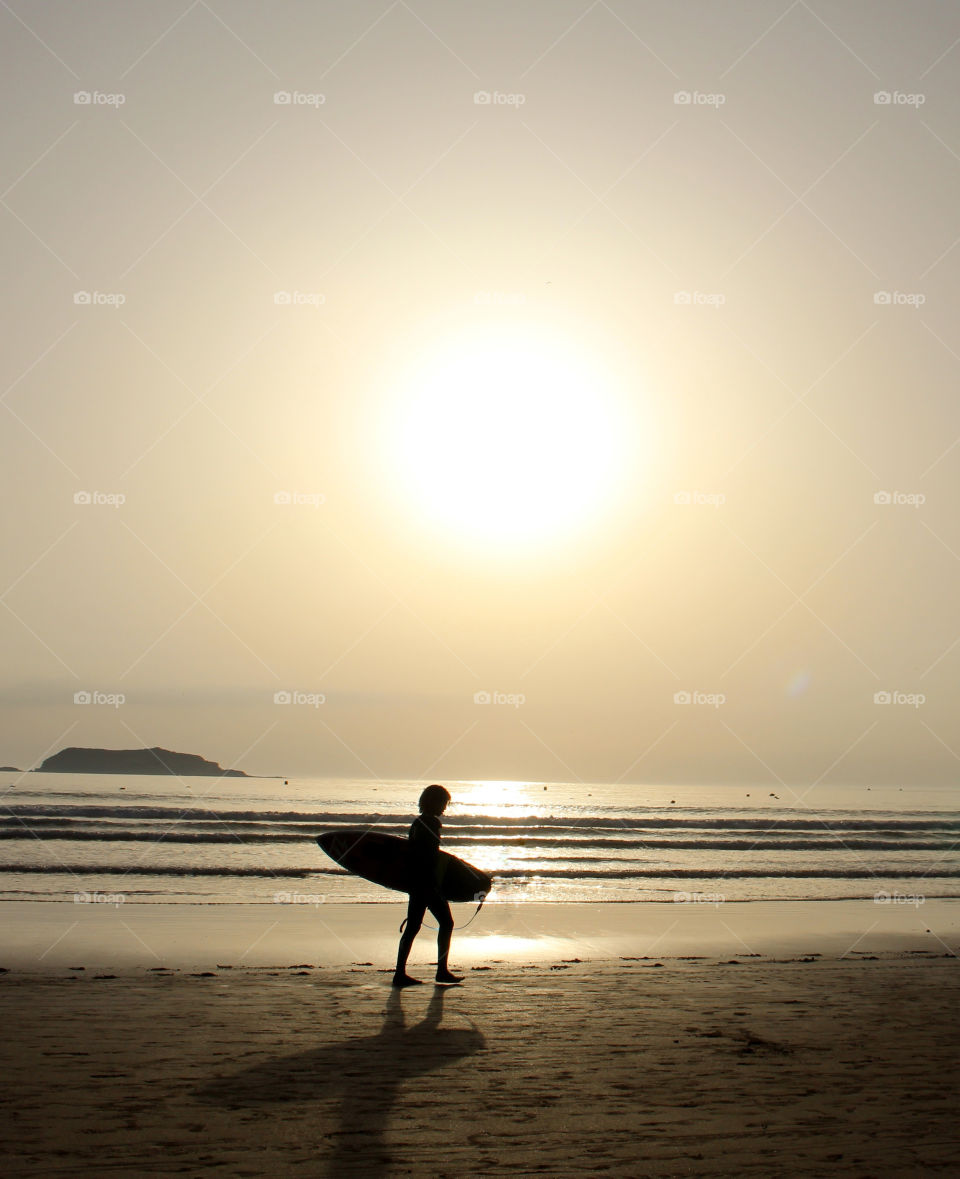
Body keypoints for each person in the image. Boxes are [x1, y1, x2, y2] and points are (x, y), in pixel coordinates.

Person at [393, 784, 463, 988]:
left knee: (413, 927)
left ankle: (400, 973)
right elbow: (429, 856)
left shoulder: (417, 822)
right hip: (425, 883)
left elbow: (415, 854)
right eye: (443, 803)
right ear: (433, 801)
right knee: (447, 923)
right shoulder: (431, 823)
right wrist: (434, 883)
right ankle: (441, 971)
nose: (445, 808)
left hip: (415, 882)